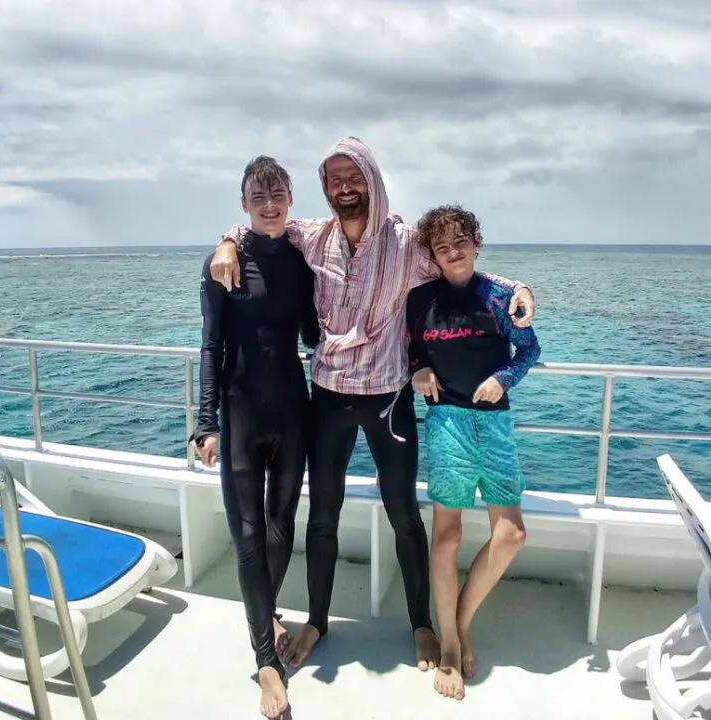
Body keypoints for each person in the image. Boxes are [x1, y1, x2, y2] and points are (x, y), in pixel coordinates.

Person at [208, 136, 537, 672]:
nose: (344, 187)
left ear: (373, 180)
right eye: (334, 178)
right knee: (323, 518)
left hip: (388, 399)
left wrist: (517, 285)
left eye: (353, 175)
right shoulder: (312, 238)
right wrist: (225, 242)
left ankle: (422, 624)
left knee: (404, 515)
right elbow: (258, 230)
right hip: (329, 398)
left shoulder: (407, 244)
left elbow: (463, 273)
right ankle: (316, 620)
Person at [190, 155, 320, 720]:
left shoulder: (302, 258)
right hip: (241, 413)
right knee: (247, 535)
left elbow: (315, 332)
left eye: (279, 194)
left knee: (282, 527)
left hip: (294, 409)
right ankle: (266, 662)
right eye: (258, 196)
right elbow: (211, 345)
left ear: (291, 199)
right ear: (243, 204)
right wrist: (206, 420)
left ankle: (264, 611)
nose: (270, 204)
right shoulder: (223, 263)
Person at [406, 204, 541, 700]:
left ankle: (458, 622)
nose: (453, 251)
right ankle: (447, 645)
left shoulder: (501, 296)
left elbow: (529, 351)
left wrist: (500, 379)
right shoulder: (420, 298)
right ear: (434, 256)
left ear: (475, 242)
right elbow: (409, 349)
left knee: (511, 535)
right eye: (442, 247)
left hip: (495, 423)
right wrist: (417, 369)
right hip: (446, 424)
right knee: (447, 538)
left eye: (460, 241)